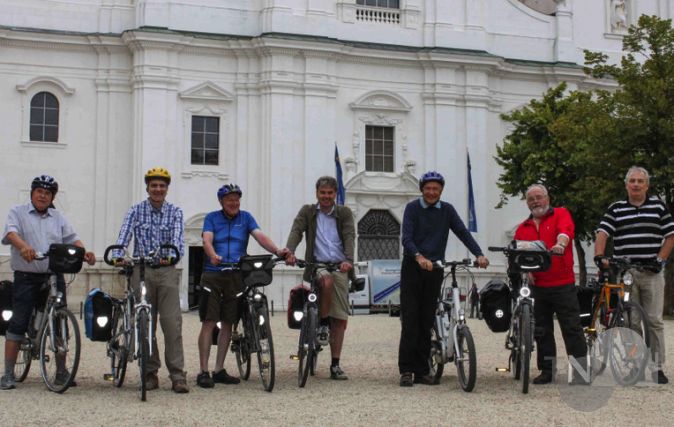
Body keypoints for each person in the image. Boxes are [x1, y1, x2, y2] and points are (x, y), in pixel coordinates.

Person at [1, 175, 96, 390]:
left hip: (53, 274)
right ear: (32, 193)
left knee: (60, 319)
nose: (43, 195)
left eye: (48, 192)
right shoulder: (18, 212)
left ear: (52, 196)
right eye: (39, 191)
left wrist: (84, 252)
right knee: (18, 320)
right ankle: (7, 373)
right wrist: (23, 246)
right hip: (26, 275)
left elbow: (72, 238)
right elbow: (10, 233)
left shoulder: (58, 217)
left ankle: (62, 371)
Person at [399, 171, 489, 387]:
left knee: (426, 320)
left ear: (441, 191)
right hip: (413, 267)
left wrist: (479, 254)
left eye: (435, 189)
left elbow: (462, 232)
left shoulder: (447, 210)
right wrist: (419, 256)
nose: (431, 192)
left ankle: (422, 370)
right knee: (411, 320)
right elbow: (407, 238)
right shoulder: (412, 208)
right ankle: (406, 370)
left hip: (435, 269)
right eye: (428, 188)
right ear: (422, 189)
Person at [196, 184, 288, 388]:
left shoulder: (245, 217)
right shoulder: (212, 217)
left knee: (229, 322)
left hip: (237, 275)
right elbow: (207, 239)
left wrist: (277, 251)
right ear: (221, 202)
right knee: (210, 322)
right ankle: (203, 371)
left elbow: (259, 236)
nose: (234, 203)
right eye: (229, 199)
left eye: (236, 199)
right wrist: (212, 256)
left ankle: (218, 369)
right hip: (214, 273)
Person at [595, 166, 674, 384]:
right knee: (630, 321)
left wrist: (660, 259)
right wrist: (599, 256)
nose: (636, 184)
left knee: (655, 321)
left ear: (647, 185)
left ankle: (657, 366)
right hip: (626, 272)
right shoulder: (616, 208)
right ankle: (635, 365)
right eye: (632, 181)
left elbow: (670, 236)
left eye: (641, 181)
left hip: (652, 273)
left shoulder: (658, 207)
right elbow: (602, 233)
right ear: (626, 184)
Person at [114, 167, 189, 393]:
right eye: (154, 185)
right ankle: (149, 373)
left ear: (167, 189)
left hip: (166, 271)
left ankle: (178, 375)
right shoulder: (136, 211)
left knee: (172, 324)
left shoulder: (175, 212)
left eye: (162, 186)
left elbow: (177, 240)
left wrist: (171, 254)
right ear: (147, 188)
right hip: (141, 270)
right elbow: (124, 235)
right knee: (144, 324)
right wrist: (118, 255)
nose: (158, 189)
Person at [514, 184, 587, 385]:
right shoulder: (522, 228)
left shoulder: (561, 214)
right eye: (531, 199)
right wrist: (525, 270)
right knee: (542, 330)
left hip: (562, 283)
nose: (536, 201)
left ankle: (581, 372)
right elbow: (520, 255)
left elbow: (566, 232)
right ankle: (547, 370)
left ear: (548, 198)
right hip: (539, 286)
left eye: (539, 197)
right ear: (527, 203)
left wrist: (560, 245)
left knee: (571, 328)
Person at [285, 176, 355, 380]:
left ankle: (335, 364)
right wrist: (289, 251)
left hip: (340, 265)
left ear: (335, 195)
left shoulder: (344, 213)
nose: (326, 196)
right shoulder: (308, 211)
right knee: (325, 281)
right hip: (318, 265)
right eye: (322, 192)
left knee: (340, 317)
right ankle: (322, 324)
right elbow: (297, 230)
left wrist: (348, 259)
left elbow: (350, 235)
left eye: (330, 193)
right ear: (317, 193)